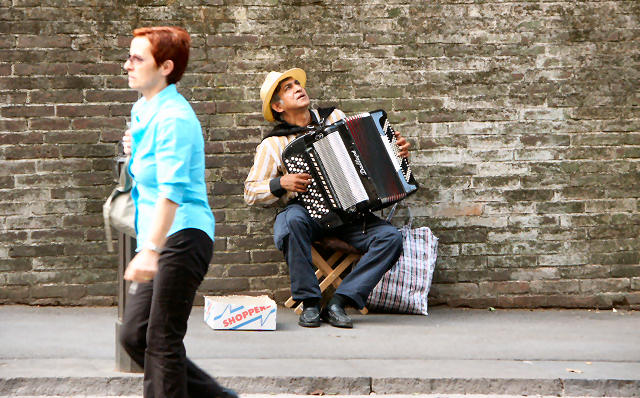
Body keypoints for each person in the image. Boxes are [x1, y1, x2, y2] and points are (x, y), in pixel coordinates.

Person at [118, 26, 237, 398]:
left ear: (165, 66)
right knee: (136, 335)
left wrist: (150, 250)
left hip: (182, 235)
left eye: (138, 59)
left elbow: (171, 192)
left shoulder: (175, 119)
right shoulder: (144, 109)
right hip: (160, 234)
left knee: (161, 340)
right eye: (129, 56)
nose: (127, 65)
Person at [244, 68, 410, 329]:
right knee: (289, 223)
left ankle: (339, 302)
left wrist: (395, 152)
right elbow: (251, 192)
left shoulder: (335, 117)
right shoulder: (274, 144)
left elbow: (366, 160)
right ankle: (310, 303)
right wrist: (281, 182)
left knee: (391, 238)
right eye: (288, 88)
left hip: (351, 216)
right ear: (278, 106)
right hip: (309, 216)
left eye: (297, 83)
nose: (298, 88)